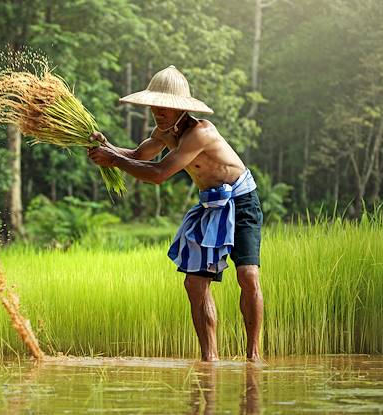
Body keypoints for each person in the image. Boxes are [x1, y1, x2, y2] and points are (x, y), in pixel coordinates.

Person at [87, 65, 264, 363]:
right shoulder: (163, 133)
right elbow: (138, 156)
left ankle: (254, 356)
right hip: (211, 205)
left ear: (180, 108)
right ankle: (210, 360)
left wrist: (112, 160)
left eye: (165, 106)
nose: (158, 110)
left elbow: (158, 173)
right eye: (154, 105)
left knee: (247, 275)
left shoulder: (200, 133)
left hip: (241, 201)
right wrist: (105, 147)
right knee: (194, 283)